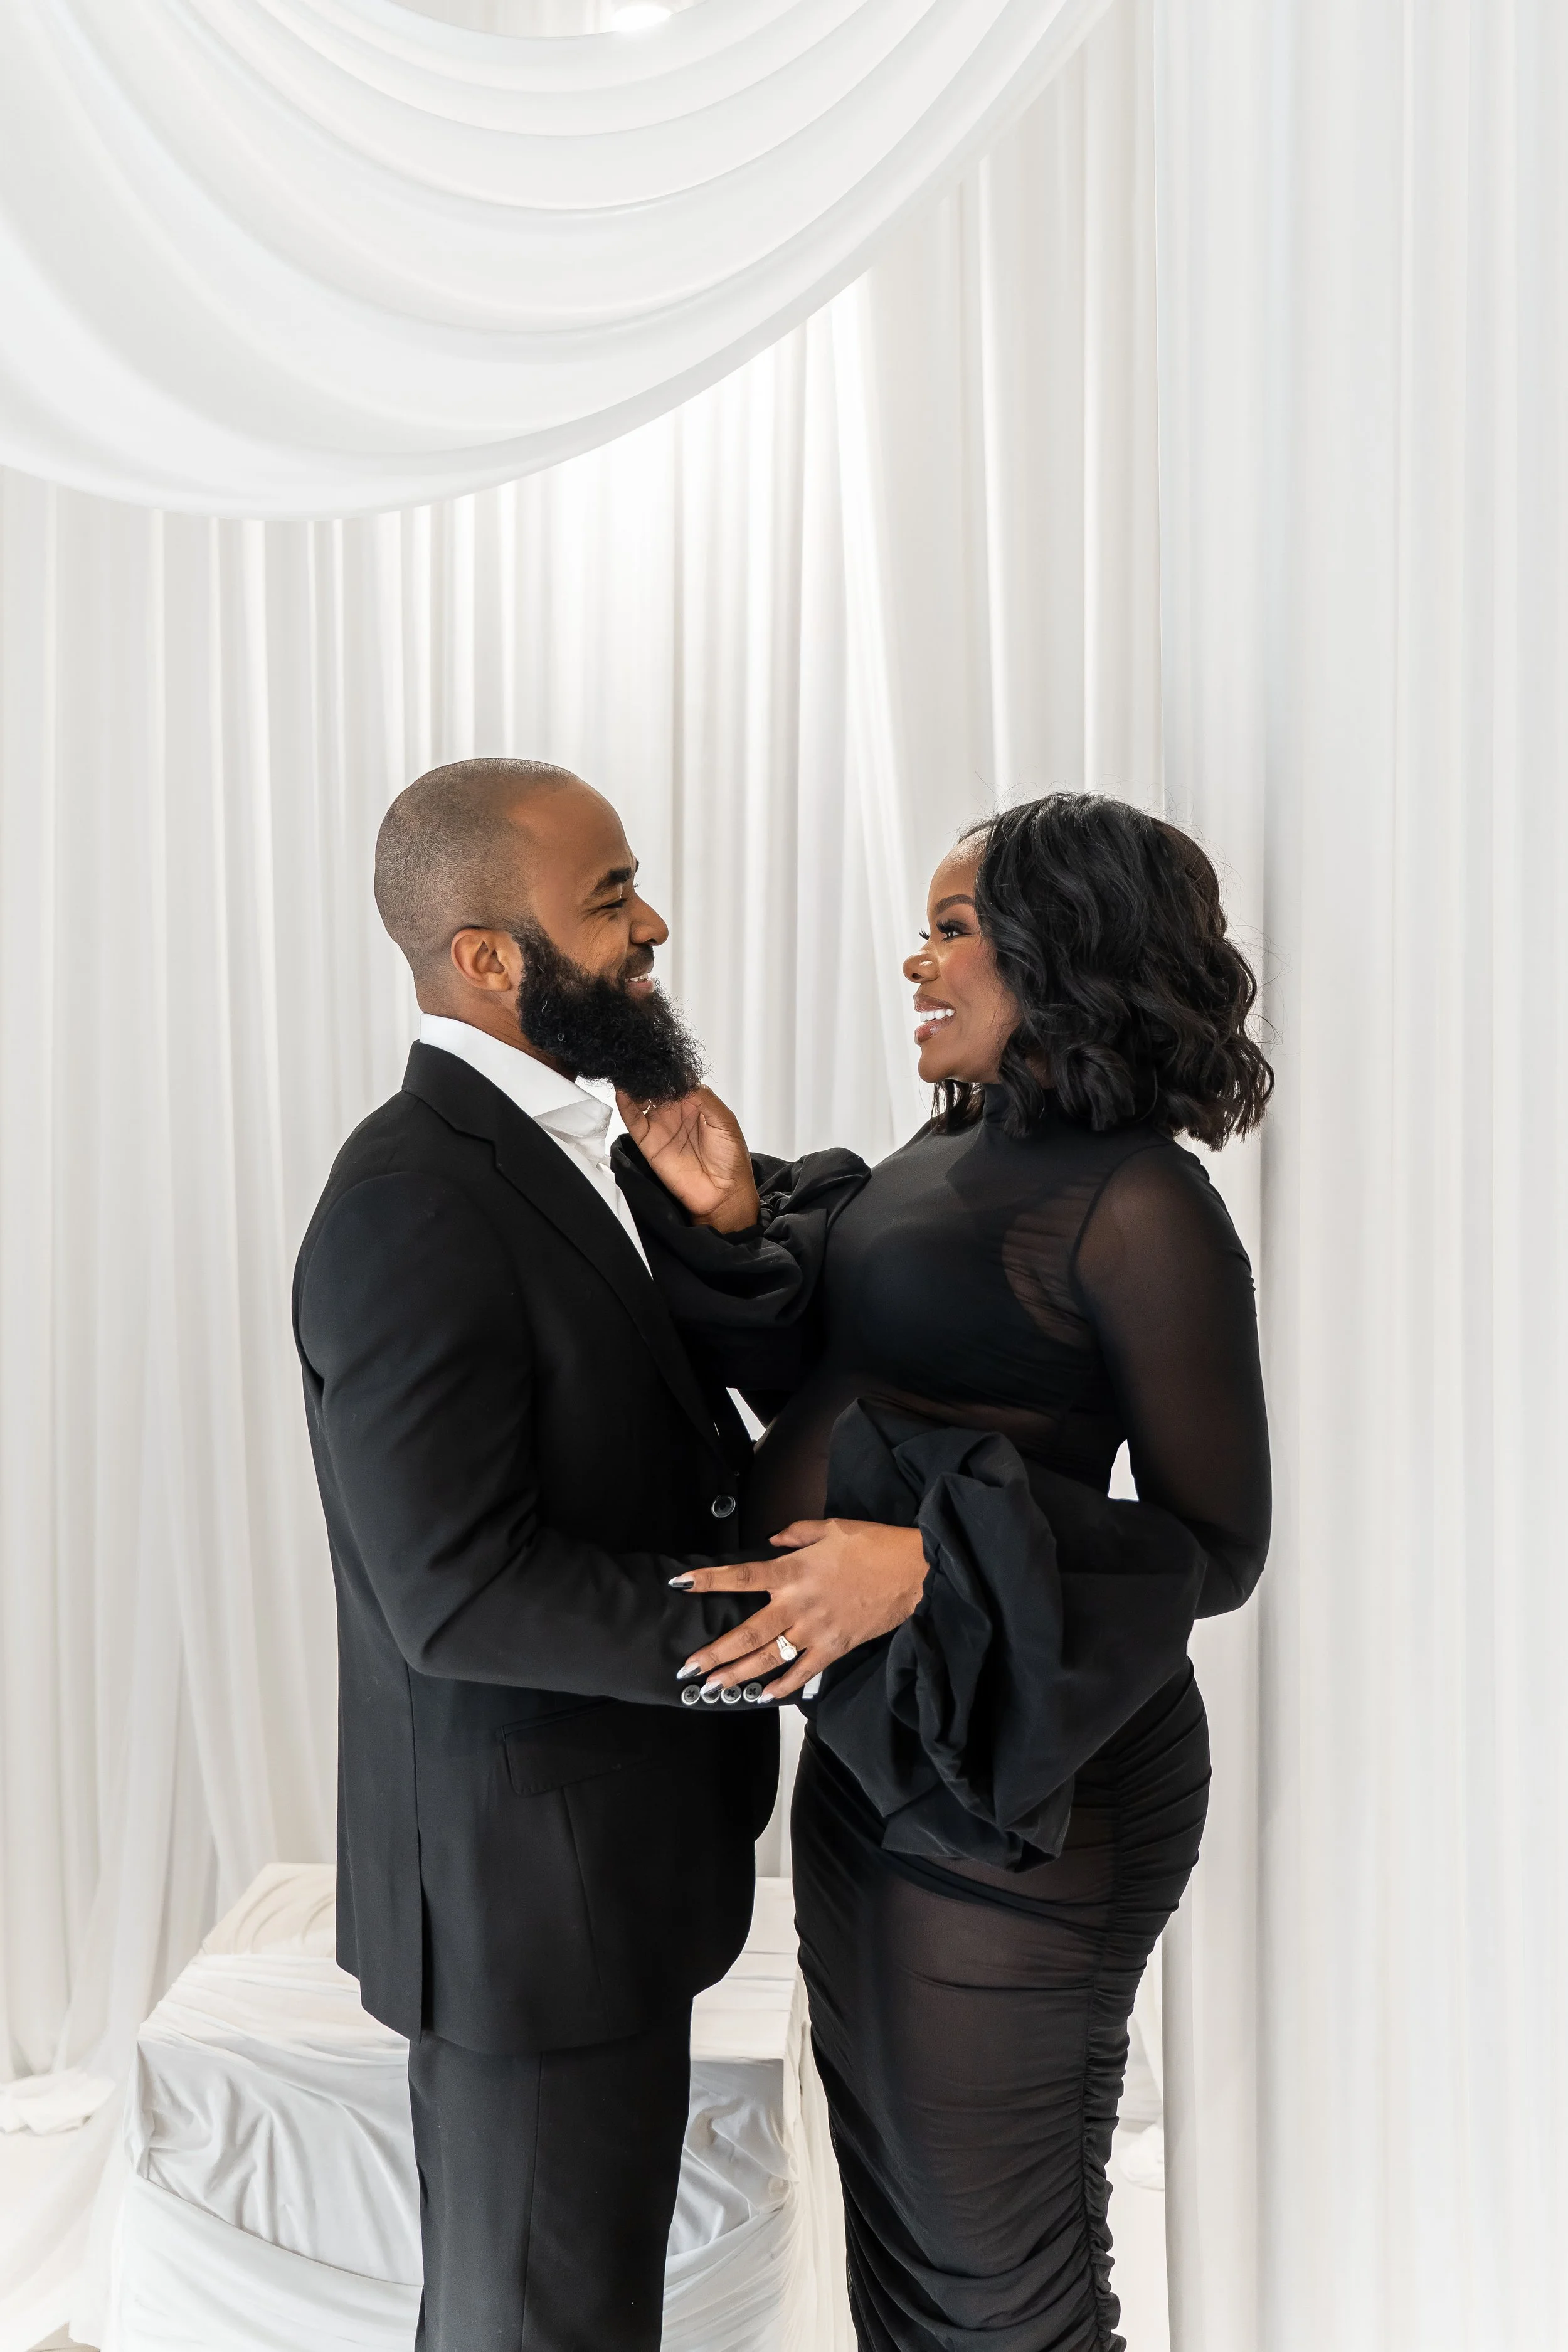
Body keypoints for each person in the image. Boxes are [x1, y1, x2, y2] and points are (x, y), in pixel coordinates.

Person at [614, 793, 1273, 2352]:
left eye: (952, 927)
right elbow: (858, 1373)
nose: (914, 959)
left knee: (997, 2279)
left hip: (1030, 1779)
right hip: (884, 1742)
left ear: (1065, 947)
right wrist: (726, 1216)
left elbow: (1219, 1548)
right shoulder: (964, 1136)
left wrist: (923, 1565)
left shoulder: (1142, 1204)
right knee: (907, 2245)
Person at [292, 757, 795, 2352]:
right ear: (487, 959)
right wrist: (779, 1622)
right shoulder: (409, 1197)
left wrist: (719, 1237)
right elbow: (455, 1588)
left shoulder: (573, 1146)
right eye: (609, 899)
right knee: (537, 2326)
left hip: (601, 1881)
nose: (651, 924)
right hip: (530, 1909)